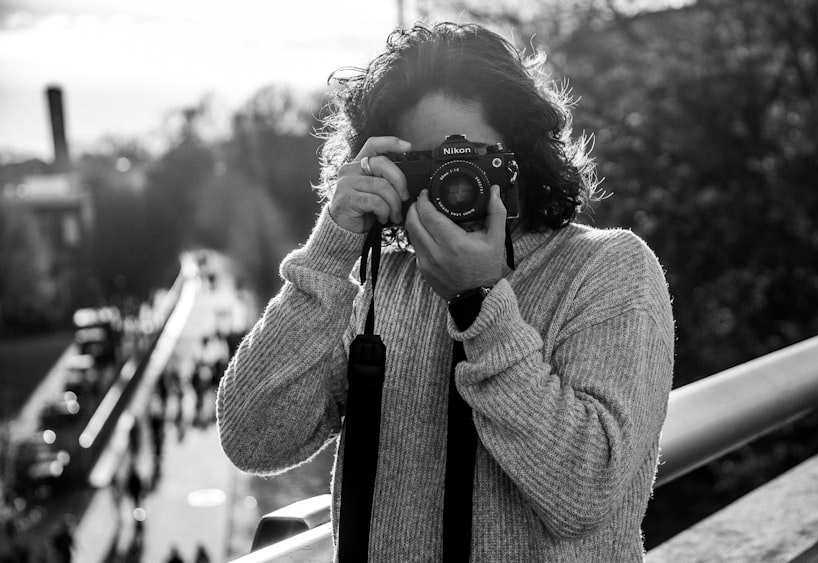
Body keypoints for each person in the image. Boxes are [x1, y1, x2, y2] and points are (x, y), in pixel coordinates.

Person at [217, 22, 674, 561]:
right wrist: (330, 249)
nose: (455, 180)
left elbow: (586, 494)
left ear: (520, 155)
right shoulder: (381, 281)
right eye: (430, 162)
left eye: (473, 157)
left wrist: (479, 301)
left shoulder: (607, 269)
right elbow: (254, 438)